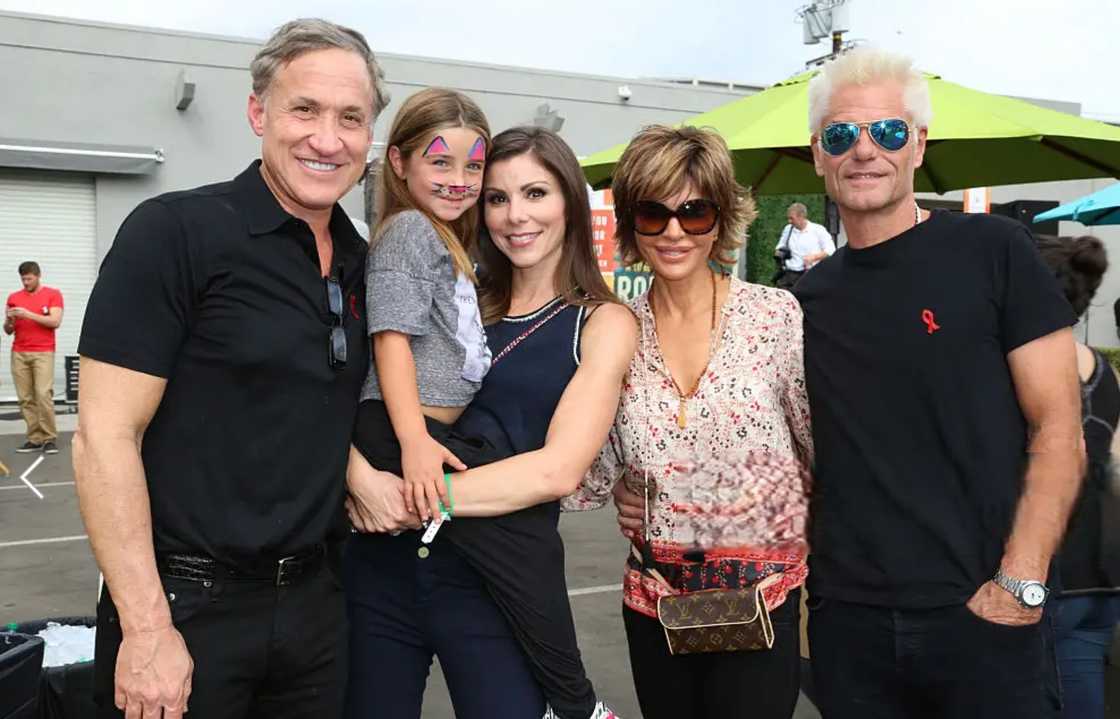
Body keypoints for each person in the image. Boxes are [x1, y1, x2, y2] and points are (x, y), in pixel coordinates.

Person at [73, 18, 387, 719]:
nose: (327, 138)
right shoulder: (175, 233)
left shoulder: (366, 262)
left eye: (351, 117)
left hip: (316, 611)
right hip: (186, 610)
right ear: (258, 112)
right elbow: (103, 436)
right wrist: (149, 628)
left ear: (370, 135)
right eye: (303, 109)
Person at [792, 48, 1082, 718]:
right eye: (841, 135)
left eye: (887, 132)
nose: (863, 150)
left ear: (918, 145)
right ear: (817, 154)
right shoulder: (805, 300)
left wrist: (1023, 580)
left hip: (986, 615)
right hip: (851, 628)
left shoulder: (994, 252)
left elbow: (1060, 426)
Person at [345, 125, 635, 719]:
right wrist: (354, 477)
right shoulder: (457, 297)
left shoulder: (601, 322)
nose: (514, 216)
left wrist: (414, 499)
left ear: (570, 204)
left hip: (489, 589)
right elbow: (351, 396)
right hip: (382, 574)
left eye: (535, 194)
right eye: (497, 198)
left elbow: (557, 470)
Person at [564, 125, 814, 719]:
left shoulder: (774, 315)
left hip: (761, 601)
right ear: (629, 223)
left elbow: (815, 451)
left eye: (694, 212)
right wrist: (630, 481)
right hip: (656, 603)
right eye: (653, 214)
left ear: (721, 218)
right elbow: (588, 479)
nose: (674, 232)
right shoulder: (612, 329)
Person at [1038, 235, 1120, 719]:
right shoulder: (1102, 370)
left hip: (1049, 572)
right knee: (1081, 690)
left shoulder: (1024, 369)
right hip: (1103, 569)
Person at [4, 261, 63, 454]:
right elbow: (7, 331)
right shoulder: (14, 297)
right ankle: (35, 438)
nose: (26, 282)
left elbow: (55, 321)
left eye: (29, 278)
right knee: (25, 398)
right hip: (19, 352)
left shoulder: (53, 294)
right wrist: (9, 321)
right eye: (23, 279)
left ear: (38, 276)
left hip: (43, 351)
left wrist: (28, 314)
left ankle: (49, 438)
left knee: (43, 394)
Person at [772, 202, 834, 290]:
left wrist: (814, 257)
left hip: (810, 275)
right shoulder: (788, 229)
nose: (789, 221)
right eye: (788, 218)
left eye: (792, 218)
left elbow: (831, 250)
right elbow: (780, 247)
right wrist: (780, 253)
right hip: (789, 275)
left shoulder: (818, 230)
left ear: (802, 217)